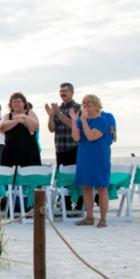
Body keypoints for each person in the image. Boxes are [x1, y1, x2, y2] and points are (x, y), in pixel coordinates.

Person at [70, 94, 112, 228]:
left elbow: (91, 136)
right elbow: (76, 137)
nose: (86, 105)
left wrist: (82, 121)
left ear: (96, 105)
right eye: (84, 103)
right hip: (84, 158)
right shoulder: (81, 120)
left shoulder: (102, 121)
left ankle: (103, 219)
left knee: (101, 188)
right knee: (86, 188)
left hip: (99, 158)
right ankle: (89, 217)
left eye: (89, 103)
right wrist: (74, 120)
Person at [45, 82, 82, 210]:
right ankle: (65, 207)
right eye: (61, 91)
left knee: (76, 178)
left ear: (72, 92)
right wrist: (51, 116)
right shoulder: (57, 109)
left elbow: (74, 125)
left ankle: (79, 206)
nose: (62, 93)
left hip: (74, 147)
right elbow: (51, 129)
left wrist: (59, 114)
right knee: (63, 179)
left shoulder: (77, 108)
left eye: (65, 91)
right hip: (60, 149)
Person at [0, 93, 41, 168]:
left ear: (24, 103)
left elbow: (35, 127)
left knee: (29, 177)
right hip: (10, 152)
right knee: (10, 178)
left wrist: (25, 117)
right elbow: (2, 127)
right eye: (13, 102)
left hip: (29, 152)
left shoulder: (30, 113)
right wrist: (17, 121)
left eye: (18, 101)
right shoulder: (7, 115)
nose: (16, 104)